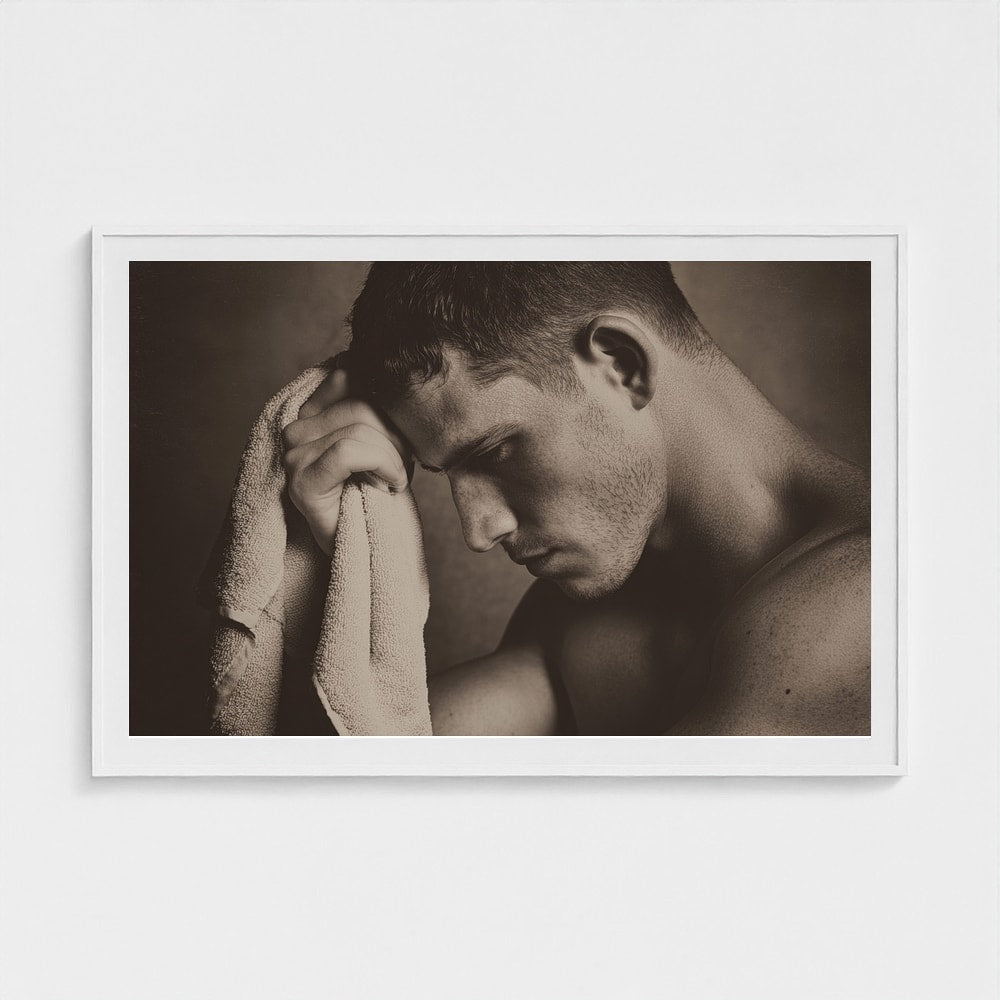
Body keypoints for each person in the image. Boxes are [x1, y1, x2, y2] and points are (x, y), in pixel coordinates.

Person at [280, 262, 871, 736]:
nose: (478, 530)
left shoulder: (863, 600)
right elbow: (362, 775)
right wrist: (356, 543)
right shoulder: (579, 618)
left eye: (492, 453)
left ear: (621, 363)